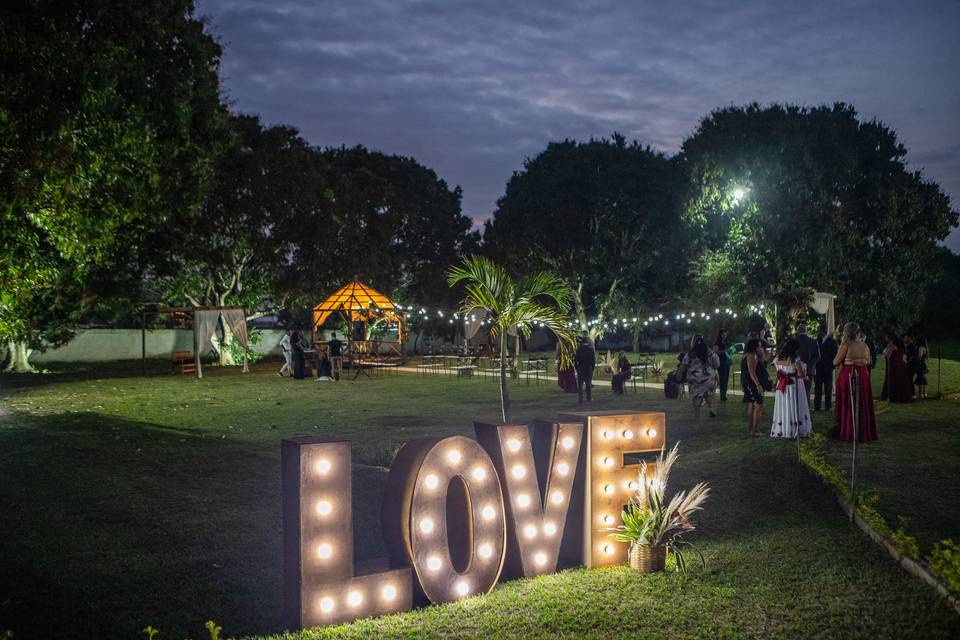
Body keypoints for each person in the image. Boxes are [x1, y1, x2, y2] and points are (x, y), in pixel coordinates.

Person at [832, 322, 878, 442]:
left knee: (848, 403)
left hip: (848, 375)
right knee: (862, 403)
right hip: (863, 375)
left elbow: (835, 362)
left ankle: (848, 432)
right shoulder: (865, 346)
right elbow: (867, 362)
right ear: (857, 332)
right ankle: (863, 432)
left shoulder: (846, 345)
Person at [770, 338, 812, 438]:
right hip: (793, 384)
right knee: (794, 404)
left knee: (784, 405)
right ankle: (795, 427)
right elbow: (801, 374)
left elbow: (778, 368)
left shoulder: (778, 358)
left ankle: (784, 427)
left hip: (782, 385)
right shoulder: (795, 359)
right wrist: (804, 371)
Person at [680, 334, 720, 418]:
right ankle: (711, 409)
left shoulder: (690, 353)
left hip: (695, 378)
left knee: (696, 396)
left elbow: (684, 365)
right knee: (709, 395)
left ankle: (696, 413)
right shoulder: (709, 352)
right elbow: (716, 364)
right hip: (709, 377)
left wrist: (679, 375)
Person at [741, 338, 765, 436]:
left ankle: (751, 428)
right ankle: (754, 430)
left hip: (748, 383)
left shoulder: (747, 355)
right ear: (754, 347)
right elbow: (751, 371)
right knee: (758, 405)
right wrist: (758, 385)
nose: (761, 347)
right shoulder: (752, 356)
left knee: (751, 404)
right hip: (752, 384)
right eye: (759, 346)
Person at [880, 333, 912, 403]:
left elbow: (887, 356)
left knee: (893, 381)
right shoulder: (900, 346)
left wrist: (887, 351)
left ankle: (893, 397)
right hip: (900, 366)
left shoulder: (892, 346)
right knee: (900, 381)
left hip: (893, 366)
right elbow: (904, 357)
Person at [814, 325, 838, 411]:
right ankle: (817, 406)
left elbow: (836, 355)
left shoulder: (832, 342)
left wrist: (832, 366)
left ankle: (828, 406)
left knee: (828, 388)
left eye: (818, 331)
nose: (817, 332)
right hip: (818, 369)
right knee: (818, 388)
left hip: (828, 369)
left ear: (822, 332)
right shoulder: (816, 341)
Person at [795, 323, 820, 400]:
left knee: (796, 390)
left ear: (798, 331)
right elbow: (818, 357)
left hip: (795, 369)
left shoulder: (793, 341)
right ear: (806, 331)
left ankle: (797, 408)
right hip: (809, 369)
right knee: (807, 390)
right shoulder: (813, 341)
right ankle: (806, 409)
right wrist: (810, 364)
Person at [574, 332, 596, 403]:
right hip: (588, 368)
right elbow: (593, 360)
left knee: (580, 385)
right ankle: (589, 398)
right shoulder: (591, 349)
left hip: (580, 368)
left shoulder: (579, 349)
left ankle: (580, 399)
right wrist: (592, 368)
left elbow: (575, 360)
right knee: (588, 384)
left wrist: (577, 368)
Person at [714, 328, 732, 401]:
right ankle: (722, 395)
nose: (725, 336)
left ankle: (724, 393)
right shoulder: (717, 343)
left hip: (727, 362)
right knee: (722, 378)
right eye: (724, 335)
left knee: (726, 378)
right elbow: (715, 352)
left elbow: (728, 351)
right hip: (721, 363)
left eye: (726, 335)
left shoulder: (726, 342)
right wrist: (724, 351)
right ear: (720, 335)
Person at [904, 333, 918, 398]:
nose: (905, 339)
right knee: (908, 379)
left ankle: (912, 394)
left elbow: (913, 356)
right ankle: (909, 392)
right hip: (908, 365)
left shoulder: (912, 346)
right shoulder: (908, 345)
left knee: (909, 379)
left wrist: (907, 362)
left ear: (910, 338)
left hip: (911, 365)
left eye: (906, 338)